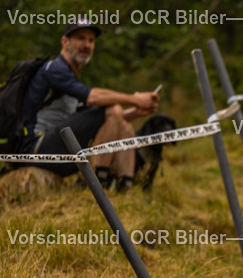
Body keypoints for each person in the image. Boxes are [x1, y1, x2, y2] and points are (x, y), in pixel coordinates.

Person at [17, 19, 159, 191]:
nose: (87, 45)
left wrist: (137, 112)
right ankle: (96, 183)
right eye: (81, 38)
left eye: (91, 40)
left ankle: (125, 187)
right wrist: (135, 99)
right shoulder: (55, 69)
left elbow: (108, 121)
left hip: (59, 143)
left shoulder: (70, 76)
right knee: (113, 108)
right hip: (37, 147)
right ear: (65, 42)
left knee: (124, 124)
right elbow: (93, 98)